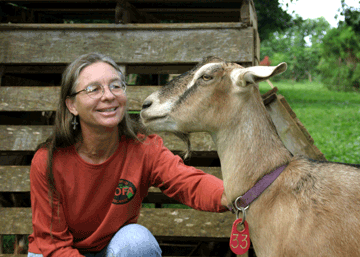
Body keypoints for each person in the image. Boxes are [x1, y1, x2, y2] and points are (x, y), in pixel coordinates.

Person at [28, 53, 229, 257]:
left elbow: (188, 182)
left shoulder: (142, 148)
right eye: (93, 89)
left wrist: (236, 194)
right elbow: (53, 245)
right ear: (71, 105)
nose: (108, 95)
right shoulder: (48, 161)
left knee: (136, 241)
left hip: (111, 250)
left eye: (116, 86)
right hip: (52, 252)